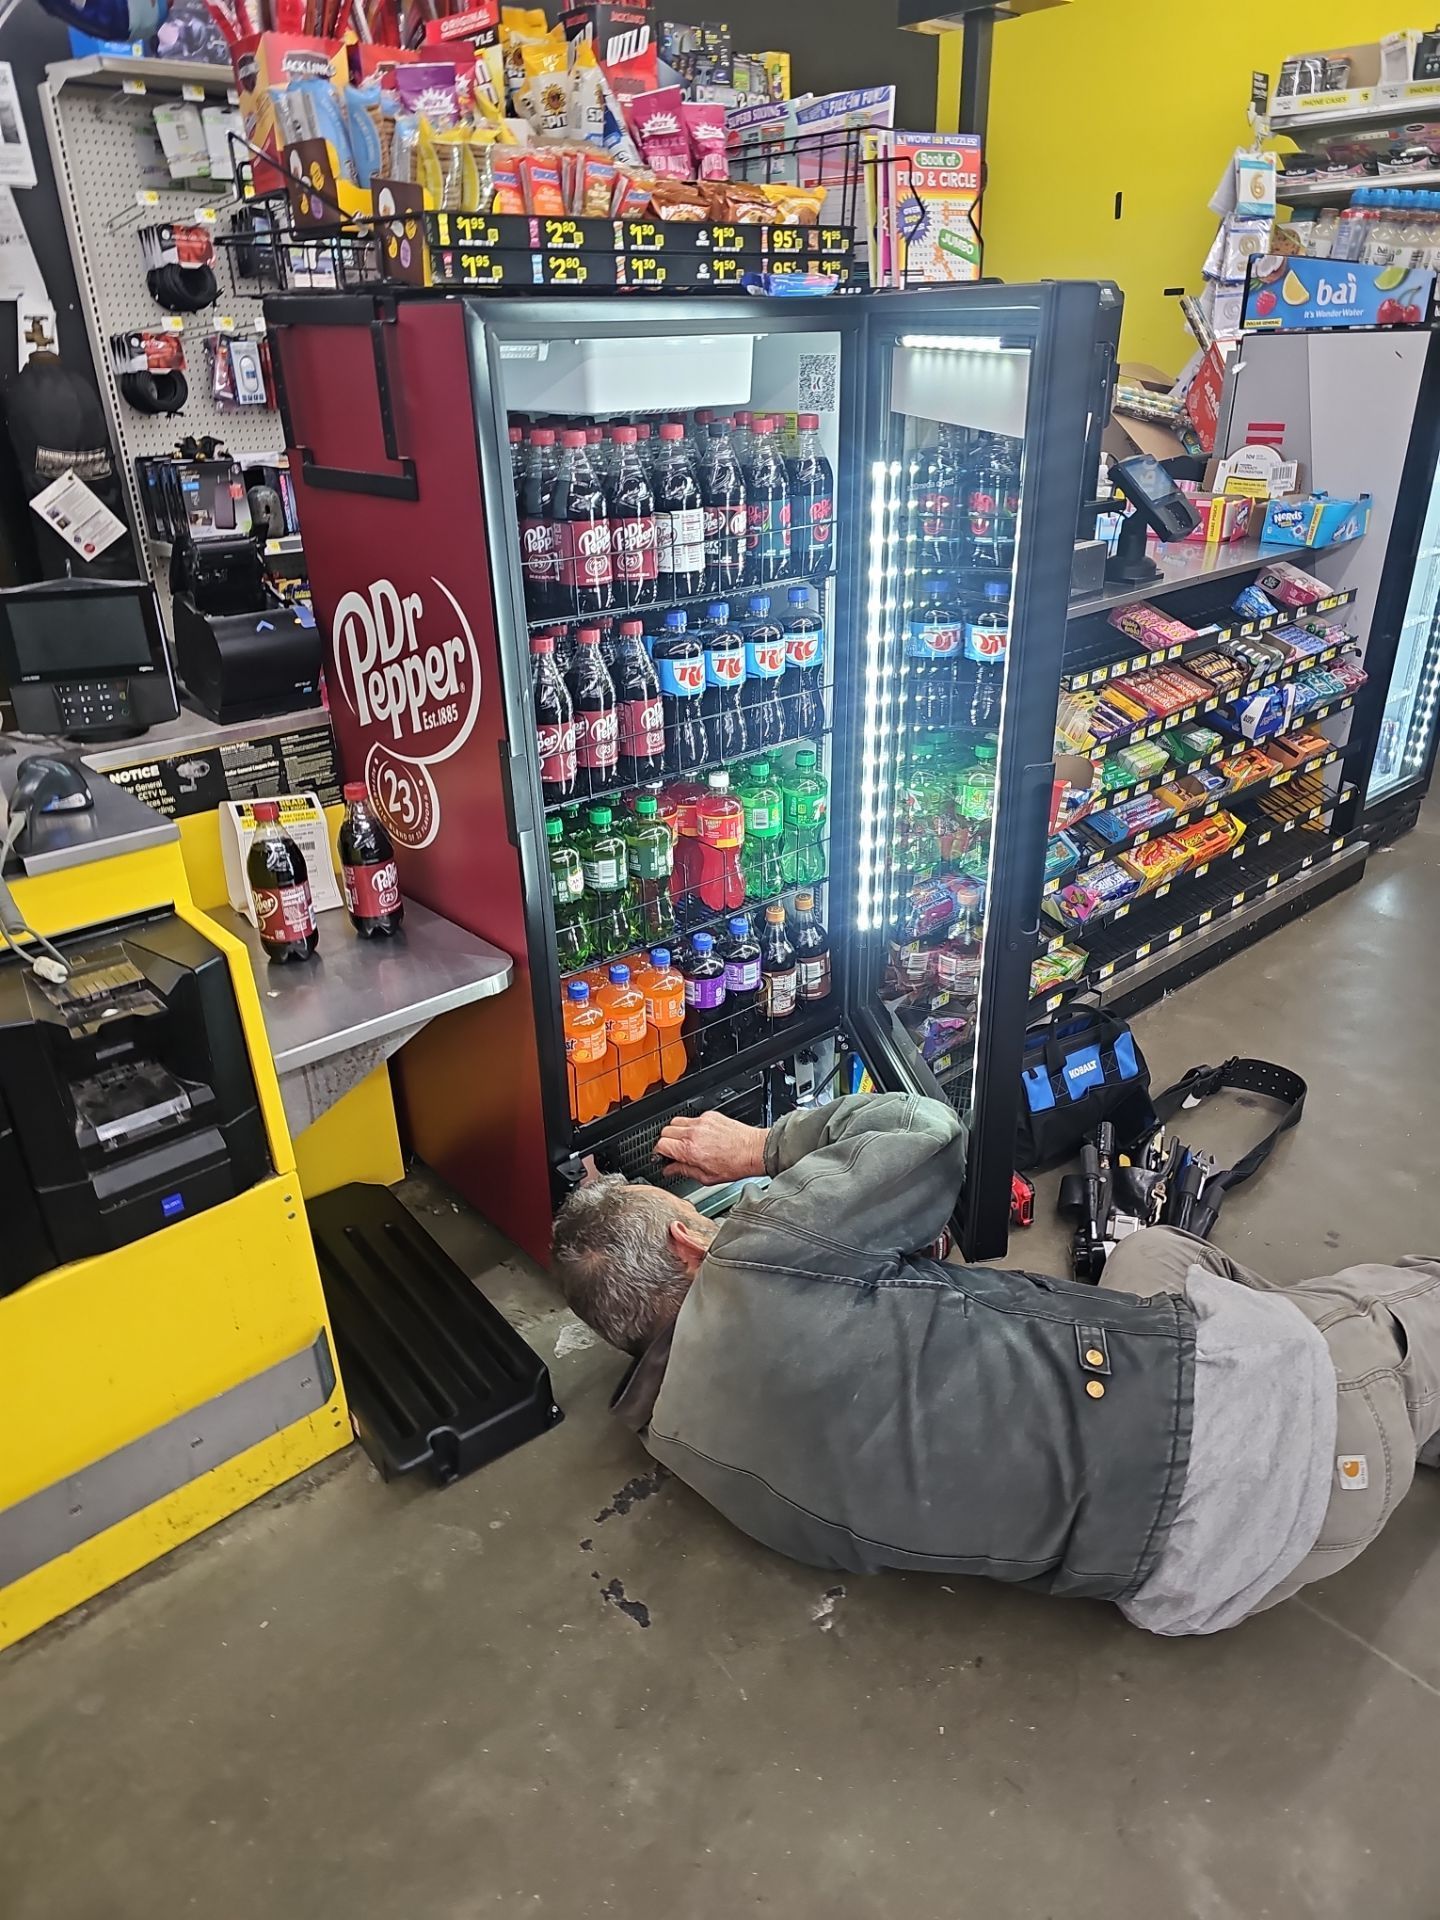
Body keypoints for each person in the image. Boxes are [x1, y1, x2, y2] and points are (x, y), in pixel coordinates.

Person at [551, 1092, 1440, 1636]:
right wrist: (759, 1150)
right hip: (1288, 1448)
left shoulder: (684, 1444)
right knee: (1401, 1297)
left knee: (1156, 1258)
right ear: (689, 1243)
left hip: (1186, 1580)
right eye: (698, 1206)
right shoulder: (763, 1255)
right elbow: (928, 1132)